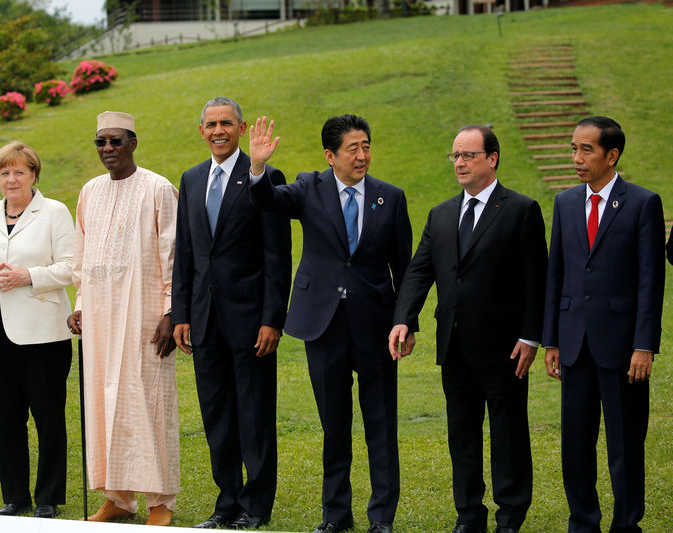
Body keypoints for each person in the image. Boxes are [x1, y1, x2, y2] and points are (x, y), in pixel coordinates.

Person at [248, 114, 412, 533]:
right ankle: (336, 515)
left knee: (380, 422)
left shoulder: (390, 198)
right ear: (330, 155)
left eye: (367, 146)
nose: (362, 155)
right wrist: (258, 167)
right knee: (334, 425)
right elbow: (268, 200)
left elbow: (404, 267)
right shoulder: (308, 188)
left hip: (375, 326)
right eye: (353, 148)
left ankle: (382, 517)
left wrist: (405, 322)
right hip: (323, 325)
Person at [389, 125, 547, 533]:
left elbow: (536, 280)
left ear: (492, 159)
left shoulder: (520, 209)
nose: (459, 162)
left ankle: (510, 516)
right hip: (454, 346)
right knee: (462, 434)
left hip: (505, 348)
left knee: (508, 433)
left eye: (468, 155)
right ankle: (469, 514)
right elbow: (418, 272)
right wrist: (404, 318)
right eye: (455, 156)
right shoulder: (441, 214)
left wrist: (531, 337)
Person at [172, 97, 291, 530]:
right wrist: (180, 312)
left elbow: (277, 256)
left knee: (254, 414)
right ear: (201, 130)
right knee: (217, 415)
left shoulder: (264, 177)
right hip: (204, 321)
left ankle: (256, 506)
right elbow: (185, 253)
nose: (218, 130)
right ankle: (227, 503)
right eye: (210, 124)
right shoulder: (191, 179)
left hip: (251, 321)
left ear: (241, 130)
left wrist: (272, 319)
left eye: (226, 123)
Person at [542, 116, 665, 533]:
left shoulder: (643, 203)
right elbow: (555, 274)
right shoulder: (564, 202)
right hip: (574, 343)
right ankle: (583, 522)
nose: (577, 158)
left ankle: (626, 525)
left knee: (625, 446)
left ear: (612, 155)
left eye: (586, 150)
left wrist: (644, 344)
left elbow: (651, 281)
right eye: (573, 149)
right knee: (575, 444)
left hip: (623, 348)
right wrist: (552, 341)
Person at [67, 111, 179, 525]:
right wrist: (79, 304)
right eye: (101, 142)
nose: (108, 149)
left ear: (133, 142)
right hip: (99, 315)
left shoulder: (157, 188)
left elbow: (173, 254)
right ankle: (118, 497)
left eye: (116, 141)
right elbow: (82, 258)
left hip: (145, 314)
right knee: (103, 402)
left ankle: (160, 502)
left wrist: (171, 312)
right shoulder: (90, 191)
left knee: (147, 401)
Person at [0, 142, 75, 518]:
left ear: (34, 175)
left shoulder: (54, 212)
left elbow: (71, 266)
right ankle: (15, 497)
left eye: (19, 172)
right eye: (4, 172)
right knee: (8, 418)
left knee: (47, 417)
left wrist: (28, 276)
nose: (11, 179)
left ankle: (47, 498)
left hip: (44, 334)